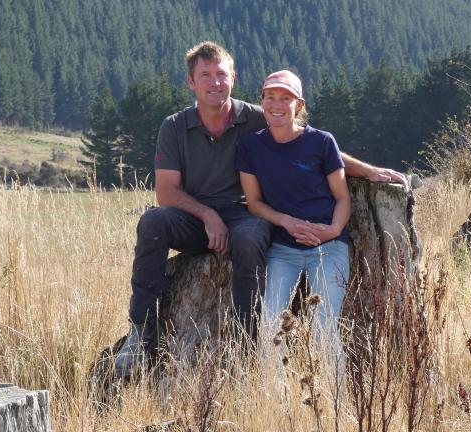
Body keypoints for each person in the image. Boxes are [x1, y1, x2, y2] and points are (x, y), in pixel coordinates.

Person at [115, 42, 408, 380]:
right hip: (195, 218)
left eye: (221, 75)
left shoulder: (256, 116)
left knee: (251, 239)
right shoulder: (175, 126)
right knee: (152, 222)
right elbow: (166, 192)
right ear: (191, 82)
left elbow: (314, 146)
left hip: (244, 214)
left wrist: (369, 170)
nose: (215, 83)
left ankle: (246, 344)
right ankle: (141, 337)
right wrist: (208, 217)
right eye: (205, 75)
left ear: (233, 78)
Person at [236, 70, 350, 348]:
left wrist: (332, 231)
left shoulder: (322, 142)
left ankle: (335, 393)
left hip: (329, 248)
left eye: (285, 98)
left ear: (298, 105)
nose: (276, 105)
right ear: (262, 102)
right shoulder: (251, 147)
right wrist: (286, 221)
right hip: (283, 250)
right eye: (270, 97)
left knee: (324, 327)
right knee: (270, 326)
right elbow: (254, 203)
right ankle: (273, 392)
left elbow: (343, 197)